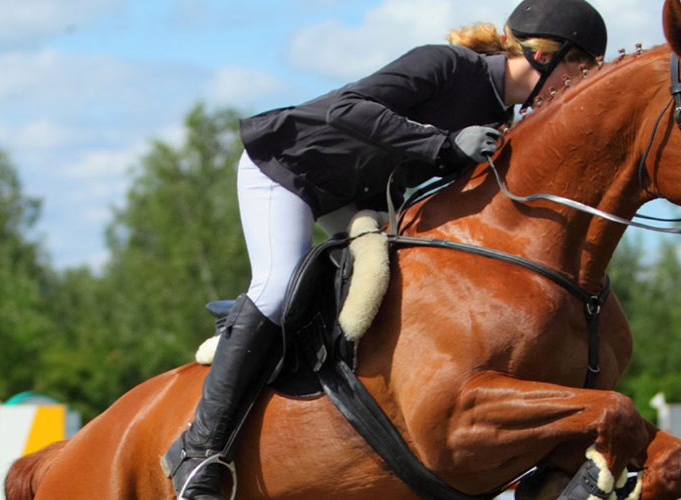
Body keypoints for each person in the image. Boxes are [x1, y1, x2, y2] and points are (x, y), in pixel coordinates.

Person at [161, 1, 609, 498]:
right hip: (290, 168)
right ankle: (199, 453)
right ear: (546, 55)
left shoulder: (499, 117)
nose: (578, 87)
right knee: (277, 289)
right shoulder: (446, 64)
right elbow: (346, 110)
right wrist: (444, 145)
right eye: (581, 71)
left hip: (353, 198)